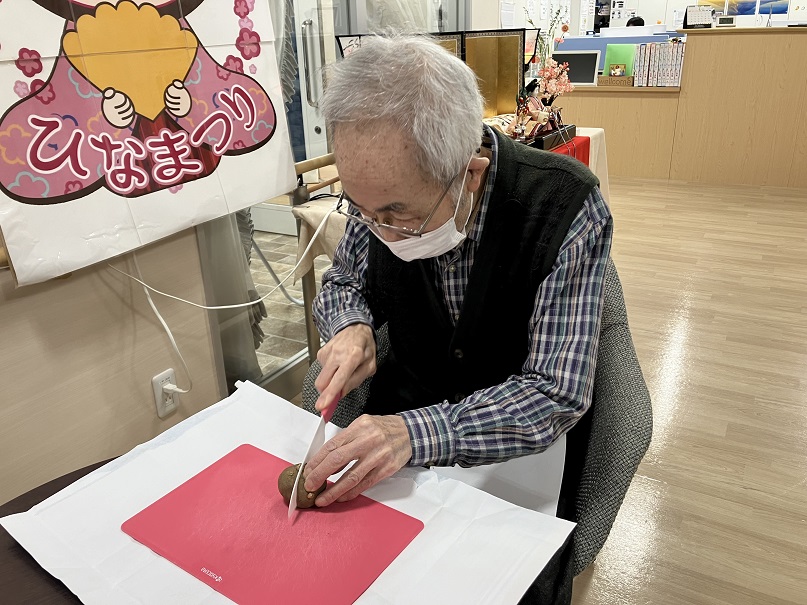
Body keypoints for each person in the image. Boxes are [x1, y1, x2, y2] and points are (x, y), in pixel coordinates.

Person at [302, 34, 612, 600]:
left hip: (515, 453)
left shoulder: (561, 205)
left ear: (469, 173)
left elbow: (555, 392)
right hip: (400, 447)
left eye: (396, 214)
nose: (378, 229)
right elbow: (345, 279)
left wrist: (414, 434)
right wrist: (349, 325)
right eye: (359, 209)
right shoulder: (381, 199)